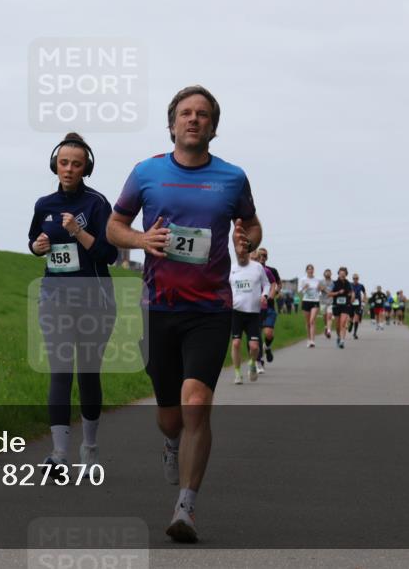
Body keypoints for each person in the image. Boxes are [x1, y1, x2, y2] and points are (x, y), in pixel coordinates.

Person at [106, 85, 262, 543]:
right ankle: (171, 442)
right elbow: (114, 225)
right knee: (170, 416)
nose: (194, 119)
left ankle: (186, 507)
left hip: (210, 309)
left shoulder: (232, 178)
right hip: (158, 308)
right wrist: (141, 240)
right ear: (172, 123)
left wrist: (247, 240)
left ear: (214, 126)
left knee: (197, 403)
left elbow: (252, 224)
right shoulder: (146, 172)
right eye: (186, 113)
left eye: (203, 114)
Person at [28, 133, 118, 472]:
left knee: (88, 374)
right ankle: (59, 454)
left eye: (76, 164)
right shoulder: (44, 205)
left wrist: (79, 232)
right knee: (60, 371)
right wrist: (37, 247)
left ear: (86, 168)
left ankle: (89, 448)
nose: (68, 169)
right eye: (64, 163)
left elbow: (110, 254)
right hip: (54, 298)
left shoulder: (97, 204)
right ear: (55, 164)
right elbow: (34, 241)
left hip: (95, 300)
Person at [229, 245, 269, 384]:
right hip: (236, 311)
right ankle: (237, 373)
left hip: (253, 313)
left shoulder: (257, 267)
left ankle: (252, 363)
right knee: (236, 343)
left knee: (254, 347)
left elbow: (267, 284)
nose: (241, 255)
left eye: (244, 253)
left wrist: (264, 295)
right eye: (238, 253)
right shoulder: (232, 268)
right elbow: (225, 287)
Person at [257, 248, 280, 363]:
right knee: (256, 335)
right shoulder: (251, 270)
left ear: (267, 257)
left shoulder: (271, 270)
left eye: (264, 255)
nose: (262, 257)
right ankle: (259, 359)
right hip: (254, 307)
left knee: (268, 333)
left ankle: (267, 347)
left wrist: (273, 293)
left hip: (268, 306)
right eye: (260, 255)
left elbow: (278, 284)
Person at [329, 267, 353, 348]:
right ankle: (339, 337)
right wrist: (338, 292)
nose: (342, 275)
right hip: (336, 305)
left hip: (345, 305)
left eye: (344, 274)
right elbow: (329, 294)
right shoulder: (334, 283)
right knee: (337, 325)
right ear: (338, 274)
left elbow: (351, 292)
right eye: (341, 273)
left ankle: (342, 341)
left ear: (346, 275)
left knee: (343, 323)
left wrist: (351, 295)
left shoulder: (348, 283)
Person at [299, 264, 322, 348]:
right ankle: (308, 339)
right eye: (309, 269)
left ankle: (312, 340)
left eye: (312, 269)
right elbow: (300, 291)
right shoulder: (303, 279)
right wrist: (304, 287)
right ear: (306, 270)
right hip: (306, 301)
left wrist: (319, 289)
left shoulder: (318, 280)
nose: (310, 270)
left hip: (315, 301)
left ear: (313, 270)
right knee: (308, 322)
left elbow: (320, 292)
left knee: (312, 321)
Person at [318, 268, 335, 339]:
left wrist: (332, 293)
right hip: (323, 301)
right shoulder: (321, 281)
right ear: (324, 274)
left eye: (329, 272)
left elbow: (335, 291)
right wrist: (322, 289)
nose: (327, 273)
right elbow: (318, 289)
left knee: (329, 316)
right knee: (324, 316)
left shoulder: (333, 282)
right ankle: (326, 327)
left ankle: (329, 331)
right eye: (326, 272)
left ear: (331, 274)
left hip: (331, 302)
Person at [349, 273, 367, 340]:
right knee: (351, 317)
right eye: (354, 278)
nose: (355, 280)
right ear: (352, 279)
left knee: (356, 318)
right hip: (351, 303)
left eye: (356, 278)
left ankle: (355, 333)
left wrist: (364, 298)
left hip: (358, 303)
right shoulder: (350, 285)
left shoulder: (361, 285)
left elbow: (364, 293)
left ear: (358, 279)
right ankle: (351, 323)